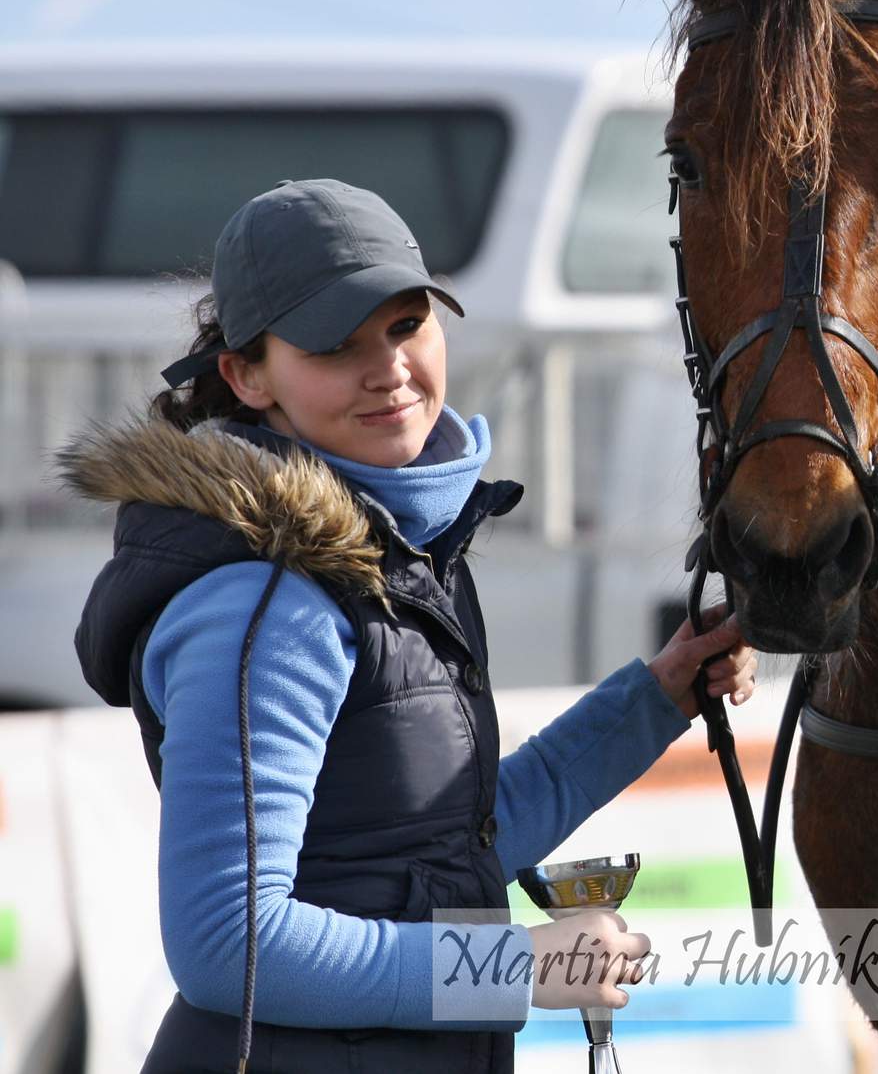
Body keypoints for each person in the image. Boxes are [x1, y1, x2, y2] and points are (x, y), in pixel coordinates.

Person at [61, 179, 756, 1072]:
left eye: (405, 323)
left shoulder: (390, 549)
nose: (388, 366)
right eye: (335, 344)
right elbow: (230, 947)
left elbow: (440, 844)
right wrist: (509, 967)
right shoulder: (265, 599)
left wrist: (659, 696)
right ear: (246, 374)